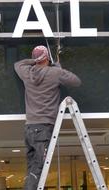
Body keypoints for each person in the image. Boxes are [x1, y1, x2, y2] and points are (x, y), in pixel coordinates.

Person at [14, 45, 81, 190]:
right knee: (38, 168)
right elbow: (76, 81)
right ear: (47, 58)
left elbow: (18, 64)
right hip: (44, 128)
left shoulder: (26, 72)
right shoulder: (55, 73)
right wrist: (56, 66)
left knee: (33, 167)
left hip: (30, 128)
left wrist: (35, 61)